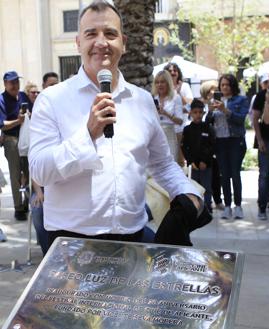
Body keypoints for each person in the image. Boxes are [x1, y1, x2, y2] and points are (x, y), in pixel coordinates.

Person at [29, 0, 203, 249]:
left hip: (132, 238)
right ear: (78, 43)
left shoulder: (142, 100)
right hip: (71, 244)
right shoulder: (52, 99)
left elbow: (162, 164)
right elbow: (39, 171)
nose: (101, 42)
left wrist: (186, 191)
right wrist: (88, 134)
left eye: (110, 34)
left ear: (124, 43)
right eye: (91, 34)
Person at [206, 74, 249, 219]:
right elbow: (208, 122)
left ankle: (238, 206)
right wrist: (210, 111)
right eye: (222, 85)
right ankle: (227, 206)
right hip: (220, 142)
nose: (224, 87)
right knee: (224, 175)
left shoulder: (241, 100)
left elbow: (240, 119)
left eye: (227, 85)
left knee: (235, 174)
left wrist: (225, 110)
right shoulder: (215, 101)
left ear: (233, 86)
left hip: (235, 141)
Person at [30, 74, 58, 255]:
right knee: (39, 215)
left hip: (61, 184)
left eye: (56, 85)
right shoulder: (38, 116)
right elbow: (34, 164)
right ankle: (48, 255)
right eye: (49, 85)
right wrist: (39, 191)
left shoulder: (62, 110)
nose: (52, 88)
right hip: (41, 184)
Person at [0, 71, 29, 220]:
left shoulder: (23, 96)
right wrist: (18, 121)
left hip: (26, 139)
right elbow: (2, 125)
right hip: (11, 140)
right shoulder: (1, 100)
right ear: (5, 84)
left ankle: (28, 202)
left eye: (17, 82)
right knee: (16, 174)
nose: (15, 85)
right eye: (12, 83)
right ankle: (18, 207)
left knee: (30, 172)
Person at [252, 67, 269, 220]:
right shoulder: (261, 95)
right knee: (264, 175)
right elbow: (256, 119)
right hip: (266, 140)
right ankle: (262, 207)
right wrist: (260, 140)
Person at [181, 99, 215, 213]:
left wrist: (205, 161)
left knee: (207, 187)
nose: (198, 115)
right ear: (190, 113)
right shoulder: (187, 129)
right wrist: (191, 162)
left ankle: (207, 207)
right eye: (195, 112)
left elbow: (211, 146)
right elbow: (184, 147)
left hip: (206, 165)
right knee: (194, 187)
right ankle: (196, 208)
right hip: (193, 166)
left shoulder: (208, 128)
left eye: (200, 112)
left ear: (204, 113)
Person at [200, 80, 224, 210]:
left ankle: (218, 200)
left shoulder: (220, 104)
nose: (214, 92)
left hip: (217, 142)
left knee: (217, 173)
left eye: (216, 89)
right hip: (204, 145)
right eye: (211, 90)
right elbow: (203, 123)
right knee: (206, 175)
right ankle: (206, 202)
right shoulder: (200, 105)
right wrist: (209, 111)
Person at [164, 62, 193, 166]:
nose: (172, 72)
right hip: (165, 128)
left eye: (175, 70)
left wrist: (178, 92)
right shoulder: (162, 87)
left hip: (181, 128)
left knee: (180, 159)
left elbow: (189, 106)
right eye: (170, 70)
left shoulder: (184, 86)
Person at [152, 70, 183, 162]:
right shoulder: (153, 98)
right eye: (157, 82)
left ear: (168, 83)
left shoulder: (176, 98)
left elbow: (180, 121)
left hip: (169, 132)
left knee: (171, 162)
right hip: (155, 134)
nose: (159, 85)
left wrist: (165, 113)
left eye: (162, 82)